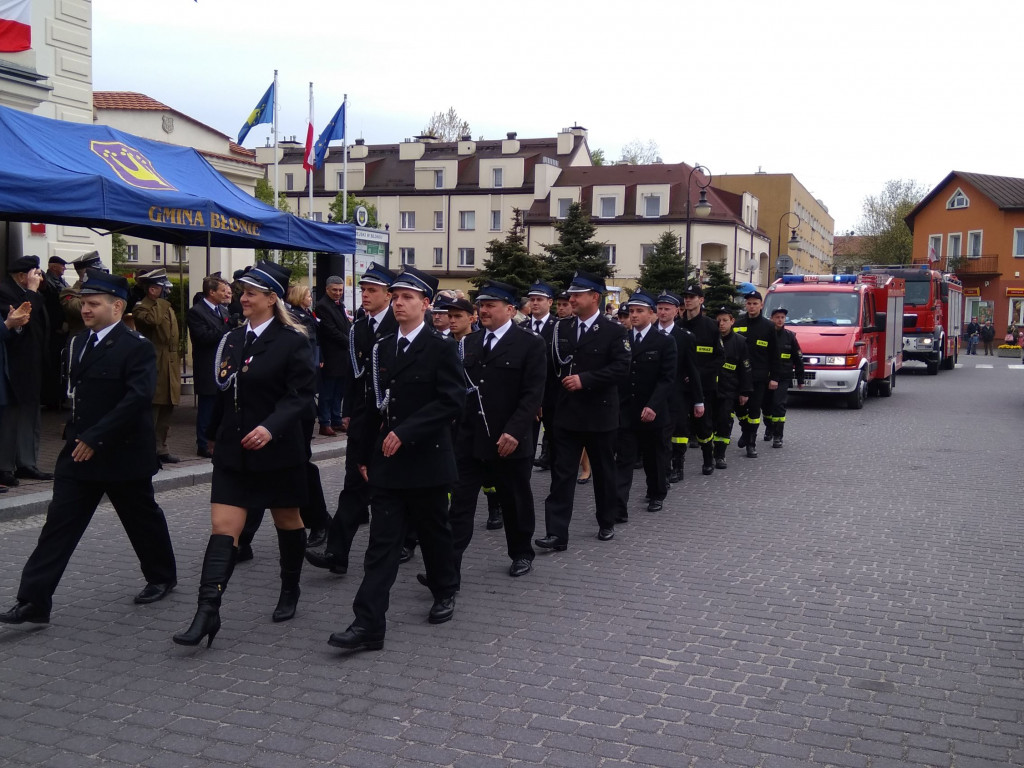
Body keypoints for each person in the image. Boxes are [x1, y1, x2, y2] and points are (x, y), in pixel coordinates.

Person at [0, 270, 177, 626]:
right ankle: (34, 600)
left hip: (121, 452)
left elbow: (136, 399)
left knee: (141, 519)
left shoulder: (136, 346)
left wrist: (96, 437)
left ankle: (161, 577)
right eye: (84, 302)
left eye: (94, 304)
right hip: (79, 453)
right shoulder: (78, 343)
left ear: (117, 307)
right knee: (58, 526)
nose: (85, 309)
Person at [173, 262, 316, 647]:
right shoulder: (233, 338)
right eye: (242, 292)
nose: (243, 298)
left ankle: (290, 588)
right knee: (223, 526)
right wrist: (214, 437)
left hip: (277, 449)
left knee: (287, 519)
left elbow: (300, 396)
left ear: (273, 299)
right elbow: (223, 391)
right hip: (235, 451)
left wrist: (271, 427)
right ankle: (207, 612)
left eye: (252, 293)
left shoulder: (293, 340)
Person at [328, 266, 465, 653]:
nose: (400, 302)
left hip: (428, 461)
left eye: (409, 297)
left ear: (426, 304)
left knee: (434, 532)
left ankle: (444, 588)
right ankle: (368, 624)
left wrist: (407, 431)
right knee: (381, 545)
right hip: (387, 464)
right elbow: (372, 406)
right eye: (397, 296)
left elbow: (453, 401)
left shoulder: (441, 347)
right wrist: (362, 455)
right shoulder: (381, 348)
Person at [445, 280, 546, 582]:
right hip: (471, 439)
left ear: (511, 309)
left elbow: (532, 394)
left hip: (509, 440)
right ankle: (447, 569)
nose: (483, 310)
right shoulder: (469, 343)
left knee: (514, 500)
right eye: (481, 305)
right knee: (460, 504)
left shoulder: (530, 343)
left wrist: (515, 431)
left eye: (491, 305)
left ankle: (521, 553)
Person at [305, 263, 398, 577]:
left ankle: (403, 542)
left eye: (372, 290)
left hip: (393, 421)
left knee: (392, 493)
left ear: (389, 294)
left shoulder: (400, 326)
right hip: (363, 418)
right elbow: (353, 373)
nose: (365, 295)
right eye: (364, 289)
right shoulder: (359, 326)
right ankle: (337, 553)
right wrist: (346, 411)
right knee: (353, 487)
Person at [537, 271, 630, 550]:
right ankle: (556, 533)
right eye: (570, 294)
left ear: (594, 297)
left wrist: (586, 380)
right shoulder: (560, 328)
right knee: (561, 474)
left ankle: (606, 521)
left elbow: (621, 367)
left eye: (577, 294)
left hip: (600, 414)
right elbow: (549, 367)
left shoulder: (614, 331)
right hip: (566, 413)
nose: (571, 299)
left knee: (603, 472)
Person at [614, 290, 676, 517]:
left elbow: (667, 378)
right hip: (627, 411)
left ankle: (657, 493)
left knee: (654, 458)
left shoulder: (664, 342)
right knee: (624, 460)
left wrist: (653, 405)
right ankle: (618, 507)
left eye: (640, 311)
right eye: (631, 311)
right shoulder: (623, 339)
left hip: (653, 410)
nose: (634, 315)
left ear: (651, 314)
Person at [0, 256, 52, 486]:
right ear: (22, 276)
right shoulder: (5, 291)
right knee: (11, 417)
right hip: (14, 364)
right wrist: (31, 290)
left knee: (31, 415)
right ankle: (5, 466)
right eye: (35, 274)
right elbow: (25, 318)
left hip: (32, 363)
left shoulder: (30, 291)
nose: (39, 279)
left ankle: (27, 463)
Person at [132, 269, 182, 464]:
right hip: (154, 360)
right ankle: (145, 448)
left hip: (169, 360)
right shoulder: (141, 307)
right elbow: (152, 322)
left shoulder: (164, 306)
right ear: (152, 289)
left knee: (167, 407)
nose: (166, 291)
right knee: (152, 409)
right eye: (162, 287)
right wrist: (158, 300)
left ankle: (161, 448)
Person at [654, 292, 703, 484]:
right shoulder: (650, 333)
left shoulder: (685, 337)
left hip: (677, 393)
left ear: (676, 311)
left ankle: (677, 464)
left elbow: (693, 370)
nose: (663, 312)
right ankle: (663, 469)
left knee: (678, 432)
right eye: (660, 309)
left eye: (667, 309)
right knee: (660, 435)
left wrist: (698, 400)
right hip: (655, 392)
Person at [678, 284, 724, 475]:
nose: (688, 300)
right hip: (681, 386)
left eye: (692, 297)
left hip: (703, 386)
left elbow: (720, 357)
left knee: (703, 425)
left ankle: (708, 458)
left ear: (701, 300)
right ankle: (677, 466)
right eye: (686, 297)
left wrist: (697, 374)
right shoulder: (678, 326)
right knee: (679, 426)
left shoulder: (711, 326)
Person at [186, 275, 234, 458]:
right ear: (211, 292)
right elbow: (203, 337)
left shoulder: (222, 310)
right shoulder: (196, 312)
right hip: (207, 366)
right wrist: (226, 326)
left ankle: (218, 440)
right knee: (207, 408)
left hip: (223, 365)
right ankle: (203, 444)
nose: (225, 293)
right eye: (222, 290)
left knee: (220, 407)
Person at [734, 290, 780, 458]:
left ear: (761, 305)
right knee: (739, 409)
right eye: (749, 303)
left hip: (758, 377)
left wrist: (774, 377)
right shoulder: (737, 325)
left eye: (755, 303)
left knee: (754, 410)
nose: (751, 306)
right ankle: (746, 432)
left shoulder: (768, 327)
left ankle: (751, 443)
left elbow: (775, 354)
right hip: (738, 376)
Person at [521, 281, 558, 473]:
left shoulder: (558, 327)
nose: (535, 303)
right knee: (526, 445)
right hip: (527, 397)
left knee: (557, 444)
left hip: (551, 396)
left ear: (550, 302)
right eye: (532, 299)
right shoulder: (521, 326)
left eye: (539, 299)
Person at [711, 307, 752, 469]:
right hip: (710, 389)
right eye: (718, 321)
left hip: (729, 390)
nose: (721, 324)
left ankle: (720, 455)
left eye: (725, 320)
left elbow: (746, 368)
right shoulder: (710, 339)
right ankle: (709, 451)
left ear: (732, 321)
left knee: (724, 421)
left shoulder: (740, 342)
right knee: (709, 422)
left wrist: (744, 391)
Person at [314, 276, 351, 436]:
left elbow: (345, 325)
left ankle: (336, 420)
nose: (338, 293)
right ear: (327, 289)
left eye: (340, 290)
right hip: (330, 354)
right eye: (334, 290)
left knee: (339, 391)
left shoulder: (339, 305)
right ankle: (325, 422)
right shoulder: (322, 306)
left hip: (342, 355)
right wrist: (349, 341)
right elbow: (330, 331)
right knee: (327, 391)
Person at [765, 308, 804, 448]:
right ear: (771, 319)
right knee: (767, 406)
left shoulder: (790, 336)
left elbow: (798, 358)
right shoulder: (766, 335)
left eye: (782, 317)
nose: (780, 320)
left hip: (784, 377)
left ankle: (778, 436)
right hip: (766, 377)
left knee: (778, 404)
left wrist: (800, 378)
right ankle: (769, 427)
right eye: (777, 317)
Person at [39, 256, 69, 409]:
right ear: (53, 267)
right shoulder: (49, 283)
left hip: (61, 329)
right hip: (54, 330)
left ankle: (58, 397)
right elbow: (52, 307)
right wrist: (58, 324)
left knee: (60, 364)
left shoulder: (61, 282)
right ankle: (52, 399)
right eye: (62, 266)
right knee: (54, 364)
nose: (64, 268)